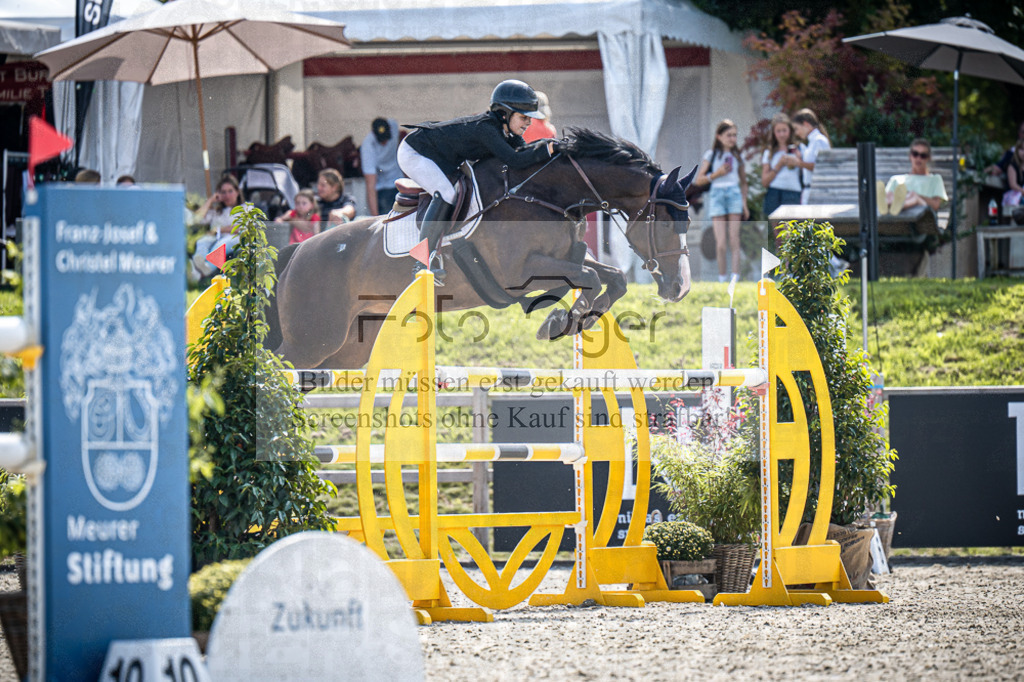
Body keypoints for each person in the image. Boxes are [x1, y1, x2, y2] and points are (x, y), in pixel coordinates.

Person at [397, 78, 558, 281]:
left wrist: (553, 148)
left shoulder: (506, 131)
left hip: (438, 157)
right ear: (504, 113)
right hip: (415, 152)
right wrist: (547, 149)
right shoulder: (487, 129)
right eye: (524, 117)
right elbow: (515, 160)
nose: (528, 122)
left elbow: (525, 152)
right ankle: (421, 263)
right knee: (447, 194)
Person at [696, 119, 748, 283]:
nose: (732, 139)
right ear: (719, 136)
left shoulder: (737, 156)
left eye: (734, 135)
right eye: (729, 135)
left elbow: (744, 182)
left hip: (734, 194)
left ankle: (735, 277)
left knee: (734, 239)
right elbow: (699, 180)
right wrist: (716, 174)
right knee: (720, 242)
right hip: (717, 194)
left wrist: (744, 203)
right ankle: (721, 278)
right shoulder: (711, 155)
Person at [192, 174, 243, 278]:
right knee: (202, 241)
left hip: (235, 239)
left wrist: (219, 229)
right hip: (215, 238)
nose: (227, 195)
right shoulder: (217, 212)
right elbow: (196, 218)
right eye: (223, 192)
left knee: (223, 243)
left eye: (230, 191)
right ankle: (200, 263)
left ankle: (204, 271)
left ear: (237, 192)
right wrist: (210, 200)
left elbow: (242, 228)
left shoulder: (245, 208)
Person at [879, 138, 948, 215]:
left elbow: (936, 205)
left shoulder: (935, 179)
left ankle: (901, 204)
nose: (918, 158)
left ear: (928, 158)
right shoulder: (896, 179)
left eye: (923, 156)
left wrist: (916, 196)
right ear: (910, 156)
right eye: (915, 154)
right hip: (897, 220)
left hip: (923, 217)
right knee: (889, 196)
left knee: (914, 197)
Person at [760, 113, 803, 217]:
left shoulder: (800, 148)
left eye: (784, 130)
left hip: (793, 192)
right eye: (778, 131)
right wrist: (779, 165)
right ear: (774, 133)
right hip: (774, 192)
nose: (782, 134)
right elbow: (765, 182)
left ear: (790, 130)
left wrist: (799, 160)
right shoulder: (769, 153)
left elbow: (806, 173)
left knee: (790, 231)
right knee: (778, 232)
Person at [360, 117, 402, 215]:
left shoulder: (394, 125)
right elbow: (370, 184)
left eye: (387, 138)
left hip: (398, 180)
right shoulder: (368, 146)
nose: (385, 143)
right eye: (381, 140)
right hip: (382, 187)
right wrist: (375, 218)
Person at [791, 108, 831, 204]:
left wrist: (799, 163)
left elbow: (821, 167)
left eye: (797, 128)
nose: (797, 133)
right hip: (810, 190)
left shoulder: (819, 140)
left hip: (817, 192)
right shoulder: (812, 142)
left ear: (806, 124)